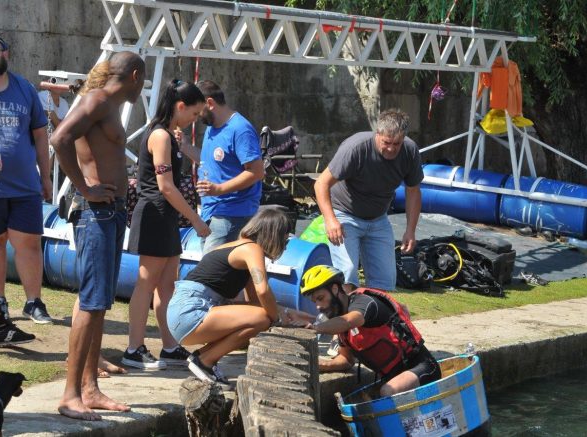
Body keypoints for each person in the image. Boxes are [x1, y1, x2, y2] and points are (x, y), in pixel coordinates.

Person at [51, 51, 146, 421]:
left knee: (99, 301)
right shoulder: (98, 101)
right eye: (143, 81)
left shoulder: (108, 105)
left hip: (111, 211)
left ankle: (89, 388)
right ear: (135, 75)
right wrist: (85, 188)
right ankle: (70, 395)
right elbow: (60, 138)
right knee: (91, 302)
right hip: (96, 213)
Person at [124, 80, 210, 370]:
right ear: (180, 106)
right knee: (146, 283)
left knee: (167, 285)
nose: (194, 120)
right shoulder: (160, 136)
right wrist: (195, 219)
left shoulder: (171, 137)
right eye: (194, 114)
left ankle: (170, 346)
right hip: (155, 214)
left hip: (167, 216)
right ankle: (134, 348)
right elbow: (166, 186)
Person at [166, 208, 291, 385]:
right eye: (285, 238)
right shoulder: (252, 249)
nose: (286, 245)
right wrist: (276, 320)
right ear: (273, 234)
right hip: (190, 311)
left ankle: (203, 356)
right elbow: (263, 291)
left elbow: (256, 302)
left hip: (184, 312)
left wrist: (287, 313)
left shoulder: (241, 248)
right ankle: (205, 361)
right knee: (262, 319)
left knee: (261, 317)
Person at [314, 109, 423, 292]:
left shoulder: (410, 151)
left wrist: (410, 230)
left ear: (403, 139)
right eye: (387, 142)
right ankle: (345, 310)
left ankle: (372, 310)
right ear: (377, 134)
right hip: (345, 214)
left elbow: (413, 191)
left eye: (397, 144)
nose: (391, 149)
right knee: (347, 273)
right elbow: (321, 184)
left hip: (378, 219)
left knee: (385, 281)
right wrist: (330, 220)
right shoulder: (356, 148)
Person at [298, 265, 441, 397]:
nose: (318, 306)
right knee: (362, 398)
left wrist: (315, 328)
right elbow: (346, 360)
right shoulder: (341, 325)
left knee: (387, 391)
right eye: (315, 301)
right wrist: (321, 364)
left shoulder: (364, 303)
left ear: (335, 289)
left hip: (423, 367)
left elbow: (348, 321)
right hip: (393, 378)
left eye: (320, 298)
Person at [0, 34, 53, 325]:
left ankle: (34, 302)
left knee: (29, 243)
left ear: (6, 54)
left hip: (25, 185)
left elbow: (41, 135)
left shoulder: (24, 89)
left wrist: (46, 176)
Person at [177, 80, 264, 253]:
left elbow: (256, 172)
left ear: (210, 103)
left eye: (198, 111)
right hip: (211, 212)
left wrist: (219, 189)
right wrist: (185, 147)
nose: (196, 117)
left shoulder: (240, 129)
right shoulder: (213, 127)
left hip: (232, 214)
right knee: (214, 266)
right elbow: (208, 160)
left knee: (211, 267)